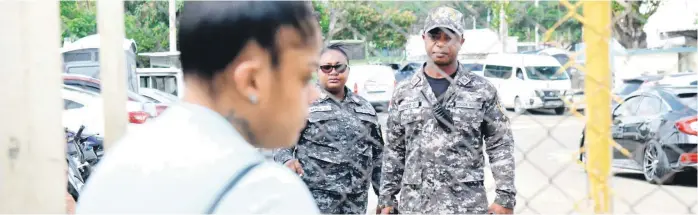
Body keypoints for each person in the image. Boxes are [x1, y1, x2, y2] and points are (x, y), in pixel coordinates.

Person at [76, 1, 323, 213]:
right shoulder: (267, 194)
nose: (313, 95)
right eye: (304, 77)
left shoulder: (113, 170)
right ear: (252, 80)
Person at [377, 6, 517, 214]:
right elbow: (395, 150)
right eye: (435, 36)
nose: (441, 43)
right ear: (424, 38)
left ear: (461, 41)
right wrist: (387, 197)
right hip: (416, 206)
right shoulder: (404, 92)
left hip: (465, 204)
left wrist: (505, 197)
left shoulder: (482, 90)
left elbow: (500, 145)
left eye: (449, 37)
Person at [274, 43, 384, 214]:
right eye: (326, 67)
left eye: (339, 67)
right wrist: (287, 161)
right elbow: (281, 145)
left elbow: (378, 156)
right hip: (317, 200)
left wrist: (383, 196)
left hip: (355, 202)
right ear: (317, 70)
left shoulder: (364, 108)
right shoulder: (302, 103)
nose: (333, 72)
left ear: (347, 69)